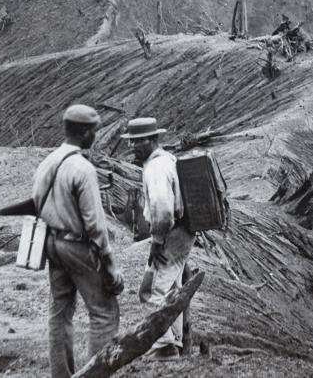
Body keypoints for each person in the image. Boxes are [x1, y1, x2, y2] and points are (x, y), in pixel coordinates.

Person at [32, 104, 125, 378]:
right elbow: (95, 225)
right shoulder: (82, 168)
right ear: (84, 133)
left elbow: (37, 204)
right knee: (104, 313)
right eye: (94, 131)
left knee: (59, 313)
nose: (95, 136)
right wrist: (109, 264)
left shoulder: (46, 162)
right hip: (78, 247)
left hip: (51, 243)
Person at [122, 116, 195, 359]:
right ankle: (175, 342)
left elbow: (163, 209)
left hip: (170, 235)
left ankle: (164, 348)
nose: (132, 146)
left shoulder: (155, 168)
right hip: (181, 233)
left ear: (153, 140)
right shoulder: (166, 161)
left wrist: (157, 240)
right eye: (131, 142)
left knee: (152, 290)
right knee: (172, 289)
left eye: (138, 142)